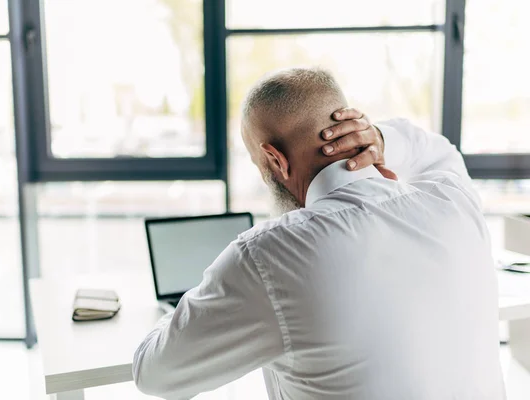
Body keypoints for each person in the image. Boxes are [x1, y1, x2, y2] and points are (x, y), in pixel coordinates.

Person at [133, 68, 504, 399]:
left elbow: (155, 376)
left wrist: (192, 306)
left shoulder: (269, 255)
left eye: (257, 164)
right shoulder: (454, 199)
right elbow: (441, 152)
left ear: (275, 160)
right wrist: (379, 137)